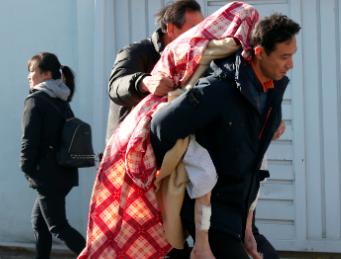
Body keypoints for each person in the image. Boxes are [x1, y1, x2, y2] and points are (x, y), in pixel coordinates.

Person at [150, 13, 301, 259]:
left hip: (242, 212)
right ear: (260, 52)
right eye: (284, 56)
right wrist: (183, 165)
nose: (290, 64)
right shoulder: (217, 90)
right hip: (211, 215)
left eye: (292, 55)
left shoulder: (272, 90)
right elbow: (161, 126)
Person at [106, 0, 204, 142]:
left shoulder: (196, 58)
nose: (201, 35)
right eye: (194, 28)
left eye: (203, 27)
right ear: (171, 29)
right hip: (127, 147)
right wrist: (144, 82)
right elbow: (115, 87)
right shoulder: (136, 52)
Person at [20, 52, 86, 259]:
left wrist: (27, 168)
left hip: (47, 175)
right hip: (64, 173)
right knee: (39, 223)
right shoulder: (61, 100)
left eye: (32, 71)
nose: (29, 76)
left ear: (46, 74)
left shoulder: (36, 101)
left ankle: (97, 256)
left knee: (58, 226)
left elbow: (29, 140)